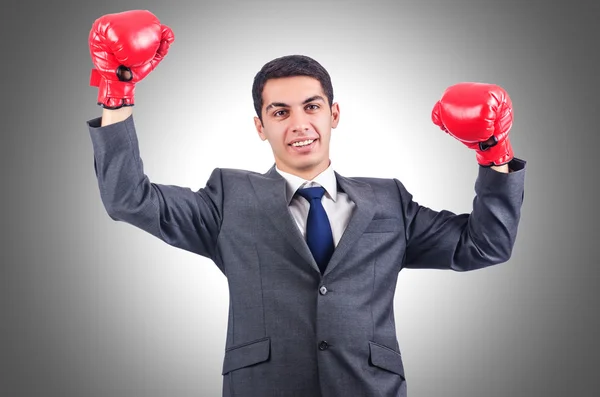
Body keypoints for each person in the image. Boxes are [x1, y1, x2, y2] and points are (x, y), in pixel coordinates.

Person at [86, 10, 526, 397]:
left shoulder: (389, 200)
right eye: (280, 112)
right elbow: (130, 198)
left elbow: (484, 245)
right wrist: (116, 90)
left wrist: (494, 152)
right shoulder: (227, 198)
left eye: (311, 107)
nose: (299, 124)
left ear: (333, 115)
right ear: (260, 126)